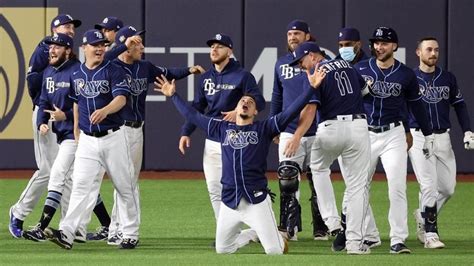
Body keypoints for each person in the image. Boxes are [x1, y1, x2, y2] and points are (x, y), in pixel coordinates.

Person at [154, 61, 326, 254]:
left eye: (250, 103)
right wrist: (173, 95)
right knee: (223, 249)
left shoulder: (264, 128)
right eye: (242, 101)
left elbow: (291, 111)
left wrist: (311, 88)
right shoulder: (221, 128)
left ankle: (268, 234)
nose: (245, 103)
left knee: (275, 251)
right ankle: (253, 233)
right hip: (230, 202)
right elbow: (193, 115)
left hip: (257, 201)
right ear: (235, 108)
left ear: (255, 111)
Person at [104, 25, 204, 245]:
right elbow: (103, 57)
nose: (141, 46)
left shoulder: (144, 67)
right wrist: (122, 45)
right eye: (136, 42)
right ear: (126, 46)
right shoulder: (110, 66)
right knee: (125, 181)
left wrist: (190, 70)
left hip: (136, 130)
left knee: (128, 180)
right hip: (117, 129)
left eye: (140, 42)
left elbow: (167, 73)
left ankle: (116, 229)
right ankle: (122, 230)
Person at [47, 29, 139, 250]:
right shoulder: (77, 73)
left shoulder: (113, 69)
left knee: (124, 186)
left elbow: (121, 99)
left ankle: (130, 233)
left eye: (103, 45)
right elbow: (76, 101)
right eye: (95, 45)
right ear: (84, 48)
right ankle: (67, 233)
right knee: (80, 186)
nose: (100, 48)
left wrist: (106, 110)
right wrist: (77, 129)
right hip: (88, 140)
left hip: (113, 137)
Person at [354, 26, 435, 254]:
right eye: (377, 43)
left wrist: (427, 134)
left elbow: (417, 106)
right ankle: (368, 235)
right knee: (359, 187)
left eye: (384, 43)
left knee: (397, 187)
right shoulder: (360, 69)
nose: (379, 47)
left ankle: (397, 239)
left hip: (394, 134)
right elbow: (346, 99)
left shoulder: (406, 74)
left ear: (394, 47)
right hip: (365, 133)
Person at [289, 42, 372, 255]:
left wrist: (297, 136)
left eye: (301, 61)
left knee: (318, 168)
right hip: (358, 127)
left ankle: (332, 221)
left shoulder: (317, 71)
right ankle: (354, 243)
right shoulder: (347, 65)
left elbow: (310, 109)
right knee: (357, 187)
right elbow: (365, 91)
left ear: (312, 55)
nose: (300, 66)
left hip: (330, 127)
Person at [178, 33, 266, 225]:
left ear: (230, 51)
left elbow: (258, 101)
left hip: (235, 139)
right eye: (212, 46)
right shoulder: (206, 78)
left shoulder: (243, 76)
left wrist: (239, 108)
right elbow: (197, 107)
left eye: (219, 46)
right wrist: (186, 131)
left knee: (242, 185)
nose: (214, 50)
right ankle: (224, 229)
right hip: (212, 137)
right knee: (214, 188)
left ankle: (259, 224)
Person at [9, 14, 81, 239]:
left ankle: (68, 227)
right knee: (49, 170)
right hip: (46, 115)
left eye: (72, 27)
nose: (70, 29)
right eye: (65, 26)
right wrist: (41, 110)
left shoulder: (68, 53)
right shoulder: (46, 48)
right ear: (53, 29)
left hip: (62, 117)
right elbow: (32, 81)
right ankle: (18, 212)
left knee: (66, 172)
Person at [408, 37, 473, 249]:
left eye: (436, 49)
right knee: (428, 185)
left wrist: (468, 131)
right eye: (428, 49)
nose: (433, 53)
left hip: (443, 137)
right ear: (418, 52)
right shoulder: (410, 78)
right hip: (418, 136)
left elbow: (460, 106)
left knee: (447, 188)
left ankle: (423, 215)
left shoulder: (447, 78)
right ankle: (430, 233)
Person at [270, 19, 331, 240]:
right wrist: (273, 126)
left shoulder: (323, 62)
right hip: (289, 128)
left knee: (317, 180)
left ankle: (321, 226)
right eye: (289, 34)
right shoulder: (281, 64)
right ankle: (289, 227)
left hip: (318, 130)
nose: (292, 37)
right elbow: (277, 96)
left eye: (297, 33)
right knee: (287, 178)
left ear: (307, 36)